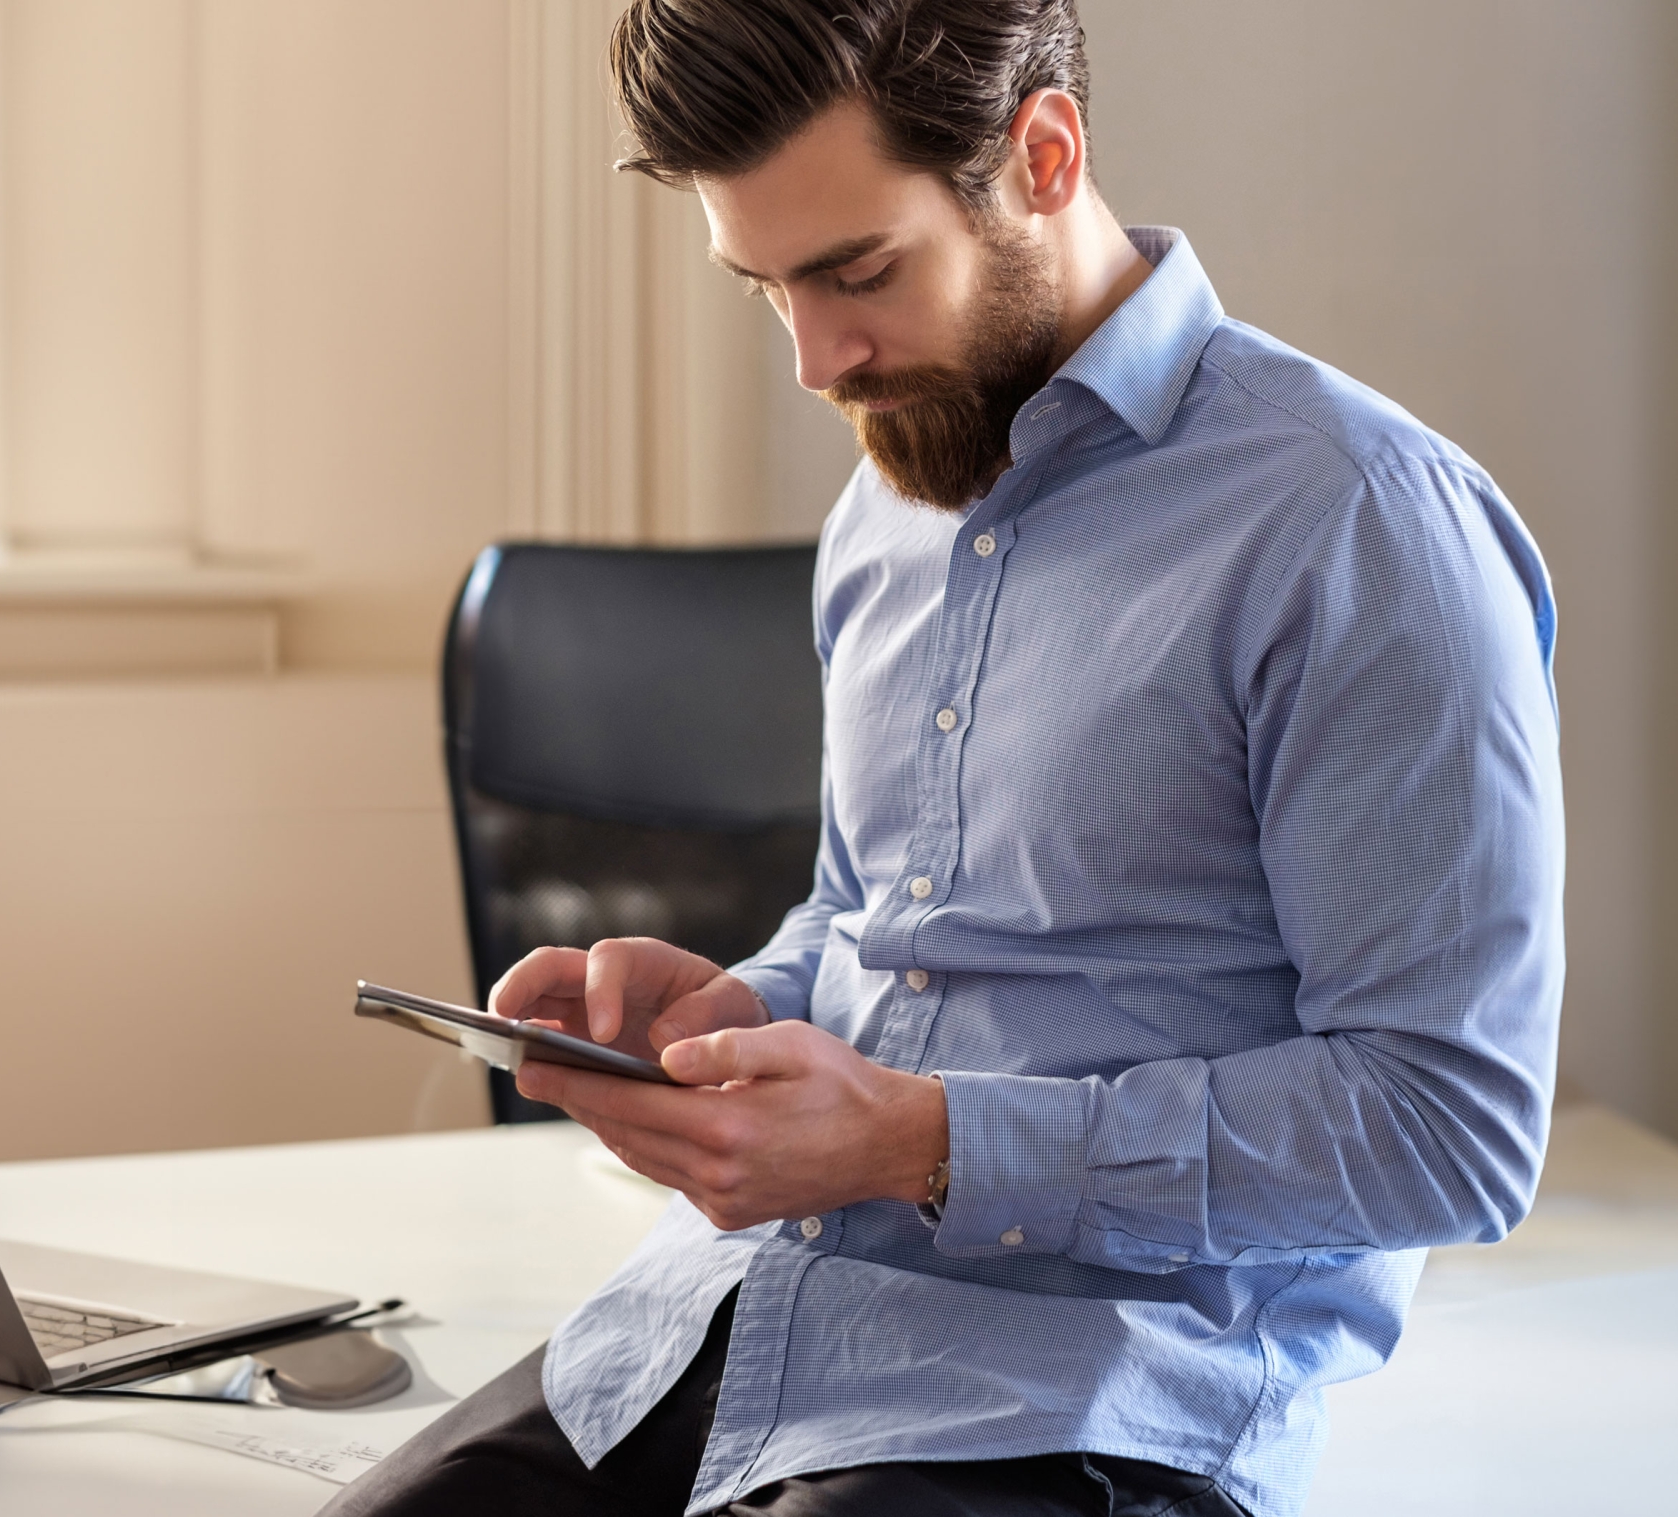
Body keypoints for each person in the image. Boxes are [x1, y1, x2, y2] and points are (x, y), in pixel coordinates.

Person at [323, 2, 1564, 1515]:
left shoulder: (1365, 527)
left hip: (1082, 1405)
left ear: (1042, 156)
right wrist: (736, 1010)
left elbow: (1450, 1125)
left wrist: (926, 1141)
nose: (814, 360)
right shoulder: (887, 511)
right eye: (763, 288)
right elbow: (865, 915)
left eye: (858, 273)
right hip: (713, 1329)